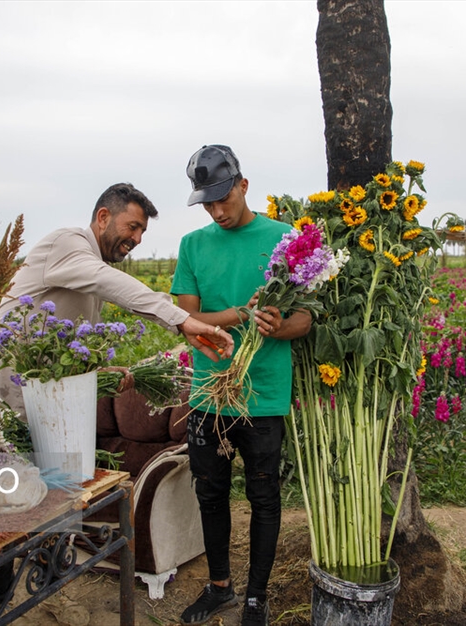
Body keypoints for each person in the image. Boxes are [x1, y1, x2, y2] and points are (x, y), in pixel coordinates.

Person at [171, 145, 311, 626]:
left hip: (263, 391)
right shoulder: (193, 246)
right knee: (210, 494)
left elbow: (306, 319)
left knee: (264, 496)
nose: (216, 210)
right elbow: (184, 319)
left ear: (243, 185)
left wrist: (277, 325)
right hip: (210, 391)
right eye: (206, 203)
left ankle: (256, 597)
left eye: (222, 198)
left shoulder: (284, 238)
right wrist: (240, 315)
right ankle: (219, 588)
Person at [0, 182, 233, 416]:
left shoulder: (91, 263)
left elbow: (68, 336)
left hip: (43, 385)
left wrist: (95, 370)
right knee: (7, 459)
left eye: (142, 231)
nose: (137, 239)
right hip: (8, 382)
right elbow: (108, 281)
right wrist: (182, 320)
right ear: (103, 218)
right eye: (133, 227)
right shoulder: (67, 243)